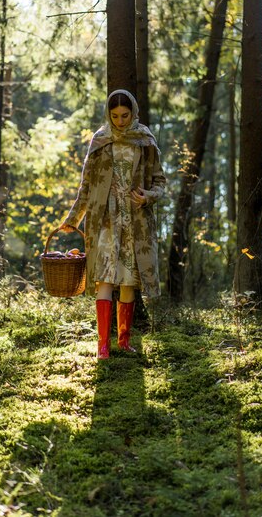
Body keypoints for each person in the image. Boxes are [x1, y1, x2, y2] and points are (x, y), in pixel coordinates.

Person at [60, 89, 166, 359]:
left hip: (135, 220)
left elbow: (160, 183)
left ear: (134, 113)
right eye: (115, 115)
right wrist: (73, 219)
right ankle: (103, 346)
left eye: (125, 115)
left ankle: (124, 340)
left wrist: (147, 197)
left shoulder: (145, 140)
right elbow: (86, 186)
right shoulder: (100, 140)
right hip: (104, 219)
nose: (120, 121)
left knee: (129, 281)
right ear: (109, 114)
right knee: (105, 279)